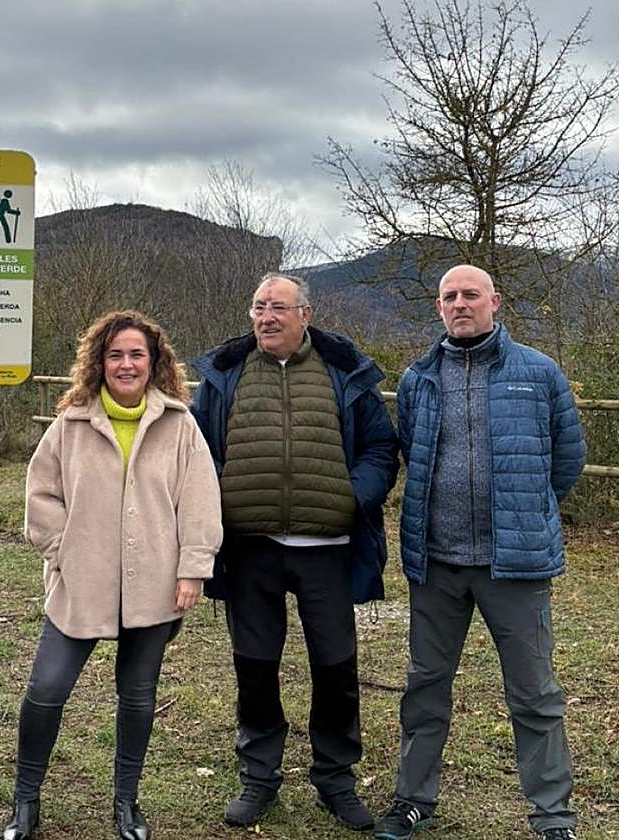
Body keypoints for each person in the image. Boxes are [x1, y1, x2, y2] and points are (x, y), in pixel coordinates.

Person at [373, 264, 586, 840]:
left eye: (470, 294)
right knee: (424, 687)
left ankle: (552, 816)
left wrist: (525, 515)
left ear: (495, 301)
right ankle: (413, 800)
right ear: (439, 307)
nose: (460, 304)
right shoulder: (419, 379)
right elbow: (415, 455)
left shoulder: (538, 373)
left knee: (534, 693)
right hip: (437, 563)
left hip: (513, 566)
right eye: (449, 297)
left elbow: (565, 461)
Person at [190, 272, 399, 832]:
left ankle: (336, 779)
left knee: (335, 669)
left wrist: (354, 496)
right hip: (250, 549)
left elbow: (382, 447)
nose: (267, 317)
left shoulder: (344, 374)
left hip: (328, 549)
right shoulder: (223, 377)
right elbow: (194, 450)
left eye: (278, 307)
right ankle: (259, 778)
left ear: (305, 314)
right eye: (259, 307)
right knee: (255, 669)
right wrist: (217, 498)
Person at [4, 311, 223, 840]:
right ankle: (24, 803)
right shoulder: (71, 424)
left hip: (154, 582)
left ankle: (127, 803)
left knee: (138, 695)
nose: (126, 364)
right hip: (81, 582)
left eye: (137, 355)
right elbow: (40, 495)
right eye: (116, 355)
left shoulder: (179, 424)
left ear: (154, 363)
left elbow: (199, 503)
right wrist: (63, 550)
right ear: (99, 363)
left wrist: (194, 568)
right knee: (47, 687)